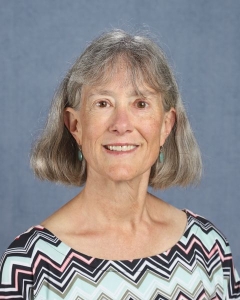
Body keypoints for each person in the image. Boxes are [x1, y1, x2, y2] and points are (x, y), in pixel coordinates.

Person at [0, 29, 239, 300]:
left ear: (166, 126)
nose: (121, 125)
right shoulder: (29, 265)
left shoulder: (208, 248)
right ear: (75, 125)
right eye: (103, 103)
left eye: (140, 103)